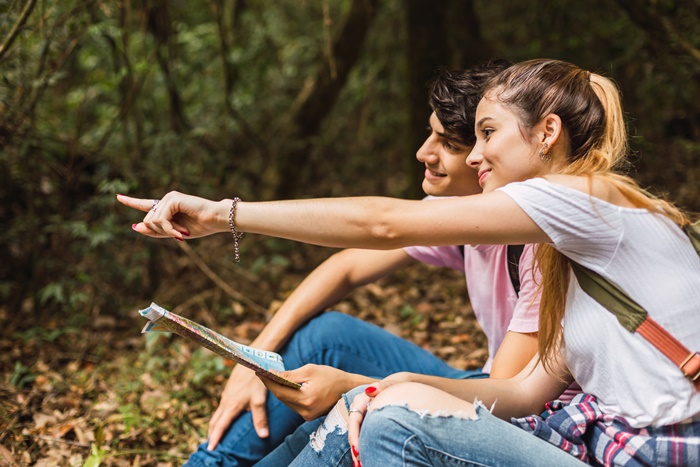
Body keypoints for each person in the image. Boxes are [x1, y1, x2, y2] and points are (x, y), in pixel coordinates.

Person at [118, 57, 700, 466]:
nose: (476, 155)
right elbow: (523, 393)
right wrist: (370, 387)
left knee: (388, 421)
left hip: (653, 452)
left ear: (547, 132)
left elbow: (383, 222)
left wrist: (224, 215)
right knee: (376, 405)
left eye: (487, 133)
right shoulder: (567, 258)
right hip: (612, 447)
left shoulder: (589, 202)